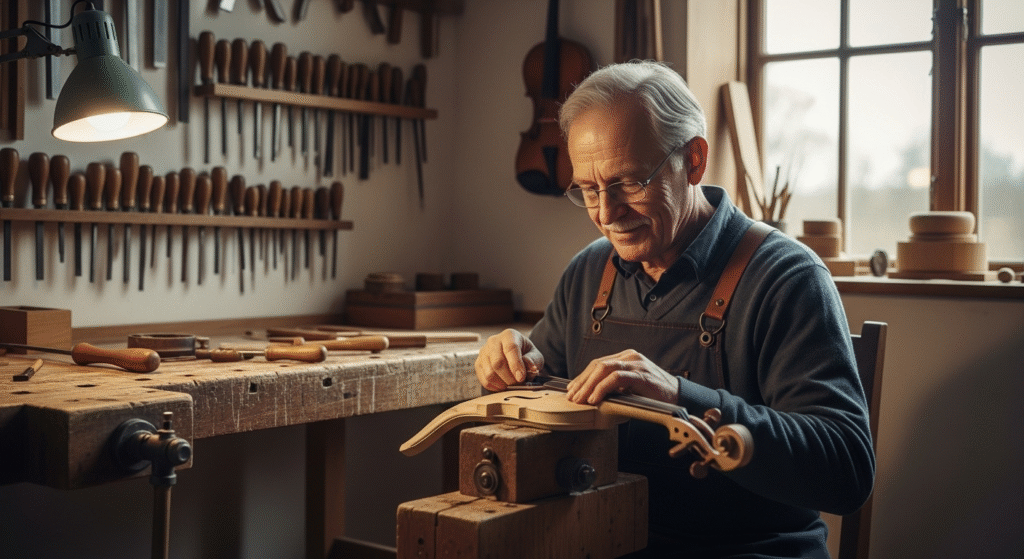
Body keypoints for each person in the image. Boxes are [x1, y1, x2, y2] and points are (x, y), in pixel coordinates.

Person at [474, 61, 874, 558]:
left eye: (628, 183)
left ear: (694, 160)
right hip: (604, 540)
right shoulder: (589, 271)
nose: (605, 212)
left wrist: (681, 397)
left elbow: (847, 470)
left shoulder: (785, 278)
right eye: (589, 189)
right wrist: (512, 369)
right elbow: (541, 400)